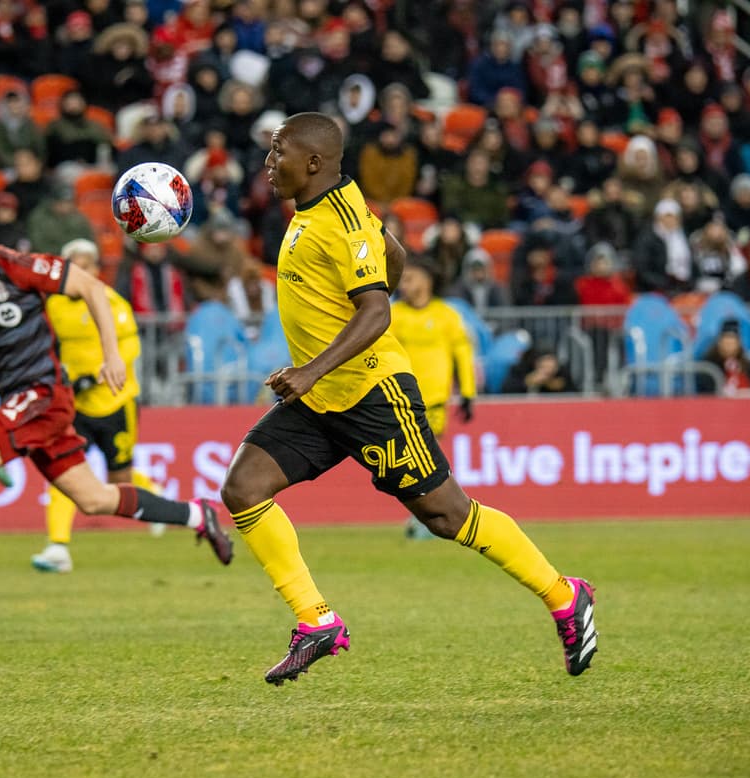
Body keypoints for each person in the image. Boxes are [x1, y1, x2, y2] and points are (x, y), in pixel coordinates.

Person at [218, 113, 597, 685]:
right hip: (323, 399)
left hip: (371, 392)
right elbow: (391, 254)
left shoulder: (341, 220)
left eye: (278, 153)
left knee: (448, 516)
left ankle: (565, 594)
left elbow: (378, 309)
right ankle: (315, 621)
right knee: (243, 488)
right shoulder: (325, 211)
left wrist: (310, 370)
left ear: (314, 162)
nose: (269, 165)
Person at [0, 180, 232, 618]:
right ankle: (196, 514)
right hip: (25, 404)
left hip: (43, 395)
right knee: (94, 499)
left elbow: (91, 288)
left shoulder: (17, 266)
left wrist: (112, 355)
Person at [30, 239, 168, 573]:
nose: (79, 274)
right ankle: (57, 547)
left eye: (85, 267)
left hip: (114, 401)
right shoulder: (54, 306)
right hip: (73, 405)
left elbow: (130, 348)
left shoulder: (110, 302)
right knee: (64, 471)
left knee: (117, 478)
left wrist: (98, 375)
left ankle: (156, 498)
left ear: (94, 270)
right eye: (72, 267)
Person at [389, 256, 476, 540]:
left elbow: (462, 353)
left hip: (435, 401)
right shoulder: (395, 314)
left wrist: (467, 393)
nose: (404, 284)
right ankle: (429, 515)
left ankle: (429, 517)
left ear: (426, 281)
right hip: (400, 400)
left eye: (410, 278)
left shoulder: (446, 315)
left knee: (427, 459)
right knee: (411, 462)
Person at [695, 319, 750, 395]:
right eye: (726, 343)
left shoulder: (747, 364)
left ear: (738, 344)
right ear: (719, 343)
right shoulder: (709, 366)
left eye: (732, 344)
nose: (729, 348)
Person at [500, 346, 578, 394]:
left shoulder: (562, 373)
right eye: (543, 367)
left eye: (551, 367)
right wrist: (527, 381)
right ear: (536, 364)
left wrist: (552, 384)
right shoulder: (522, 369)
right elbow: (505, 390)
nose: (547, 371)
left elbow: (575, 394)